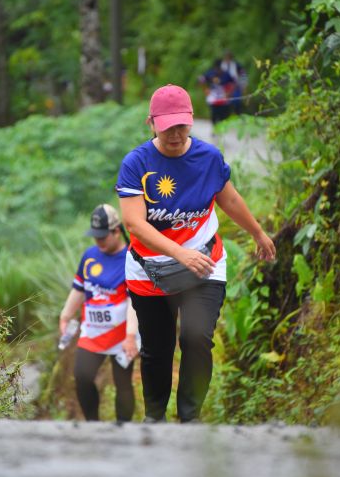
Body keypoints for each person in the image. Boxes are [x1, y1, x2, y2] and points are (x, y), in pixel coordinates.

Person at [116, 84, 276, 423]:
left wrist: (258, 232)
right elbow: (134, 223)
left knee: (197, 338)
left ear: (190, 120)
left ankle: (190, 419)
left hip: (204, 264)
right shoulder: (136, 163)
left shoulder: (208, 158)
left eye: (182, 125)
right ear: (151, 123)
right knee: (157, 349)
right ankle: (155, 419)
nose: (175, 134)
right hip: (150, 271)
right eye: (167, 127)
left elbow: (229, 198)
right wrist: (179, 253)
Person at [59, 204, 139, 422]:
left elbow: (134, 300)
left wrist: (131, 335)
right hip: (92, 332)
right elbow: (79, 288)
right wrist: (65, 316)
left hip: (122, 334)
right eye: (95, 236)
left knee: (123, 382)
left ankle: (124, 428)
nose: (98, 241)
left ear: (116, 231)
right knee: (82, 377)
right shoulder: (90, 255)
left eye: (103, 236)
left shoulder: (131, 258)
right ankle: (93, 425)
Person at [198, 60, 235, 126]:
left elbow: (233, 83)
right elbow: (201, 79)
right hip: (213, 97)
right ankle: (215, 128)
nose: (218, 71)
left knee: (223, 116)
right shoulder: (210, 73)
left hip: (224, 98)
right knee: (214, 115)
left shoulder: (226, 74)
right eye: (216, 69)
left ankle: (222, 128)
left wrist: (229, 92)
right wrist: (205, 89)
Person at [220, 51, 248, 115]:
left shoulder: (236, 65)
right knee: (225, 103)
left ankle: (237, 115)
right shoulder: (221, 65)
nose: (227, 59)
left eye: (228, 57)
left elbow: (243, 74)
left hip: (235, 86)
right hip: (225, 87)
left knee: (236, 102)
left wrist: (244, 85)